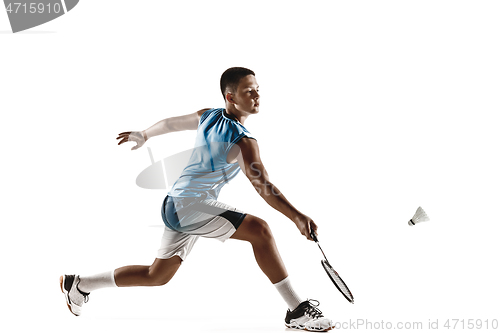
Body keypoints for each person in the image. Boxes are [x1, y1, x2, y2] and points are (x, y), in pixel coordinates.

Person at [60, 67, 334, 331]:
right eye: (249, 92)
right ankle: (296, 310)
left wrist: (145, 134)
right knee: (260, 230)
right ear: (231, 97)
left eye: (258, 90)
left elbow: (170, 124)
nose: (257, 96)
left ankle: (81, 284)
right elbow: (263, 186)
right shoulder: (243, 141)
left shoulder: (209, 115)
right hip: (188, 207)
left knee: (157, 276)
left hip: (175, 205)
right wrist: (297, 217)